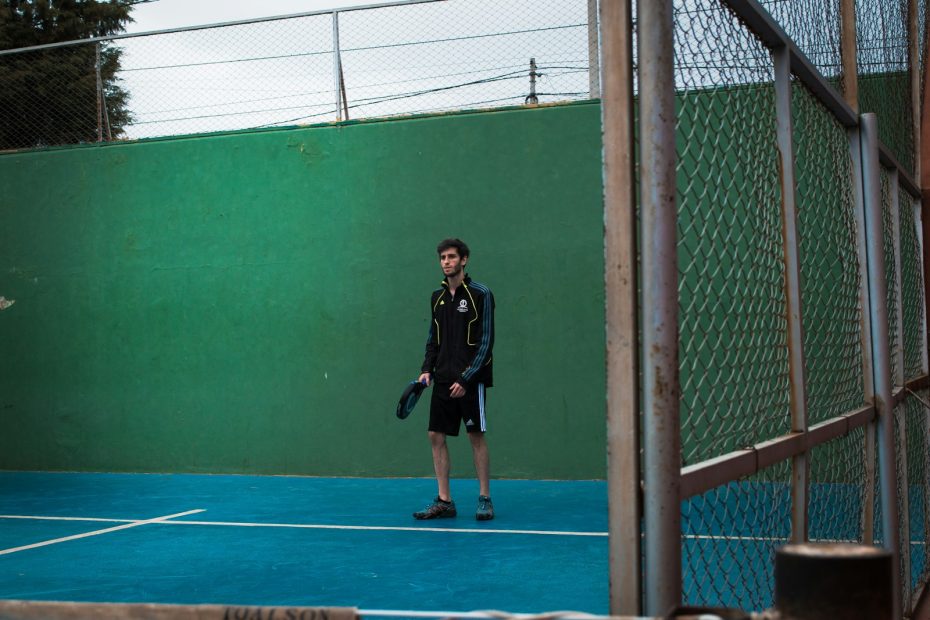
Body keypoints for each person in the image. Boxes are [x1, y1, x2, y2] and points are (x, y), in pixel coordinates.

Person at [413, 238, 495, 521]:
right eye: (442, 258)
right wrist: (427, 369)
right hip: (443, 379)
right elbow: (432, 339)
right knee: (435, 435)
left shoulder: (481, 294)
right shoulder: (437, 298)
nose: (446, 262)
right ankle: (444, 501)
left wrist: (467, 377)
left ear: (464, 260)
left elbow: (486, 342)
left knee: (476, 436)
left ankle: (484, 498)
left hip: (471, 381)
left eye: (451, 257)